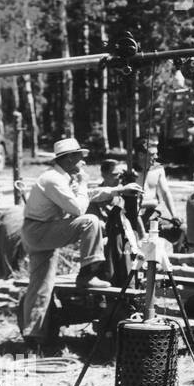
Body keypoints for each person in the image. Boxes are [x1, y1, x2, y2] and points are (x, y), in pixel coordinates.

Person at [19, 137, 142, 343]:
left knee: (41, 285)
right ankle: (87, 274)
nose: (83, 162)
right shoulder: (53, 180)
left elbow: (88, 195)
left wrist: (119, 190)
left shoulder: (60, 178)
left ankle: (34, 336)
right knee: (90, 221)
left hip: (39, 231)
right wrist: (84, 183)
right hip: (40, 231)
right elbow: (77, 208)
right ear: (67, 160)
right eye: (79, 158)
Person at [132, 136, 178, 234]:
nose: (156, 157)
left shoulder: (158, 169)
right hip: (133, 219)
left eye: (156, 153)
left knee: (181, 230)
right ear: (141, 155)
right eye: (152, 154)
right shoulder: (129, 172)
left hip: (152, 216)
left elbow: (166, 193)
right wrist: (152, 203)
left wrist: (174, 215)